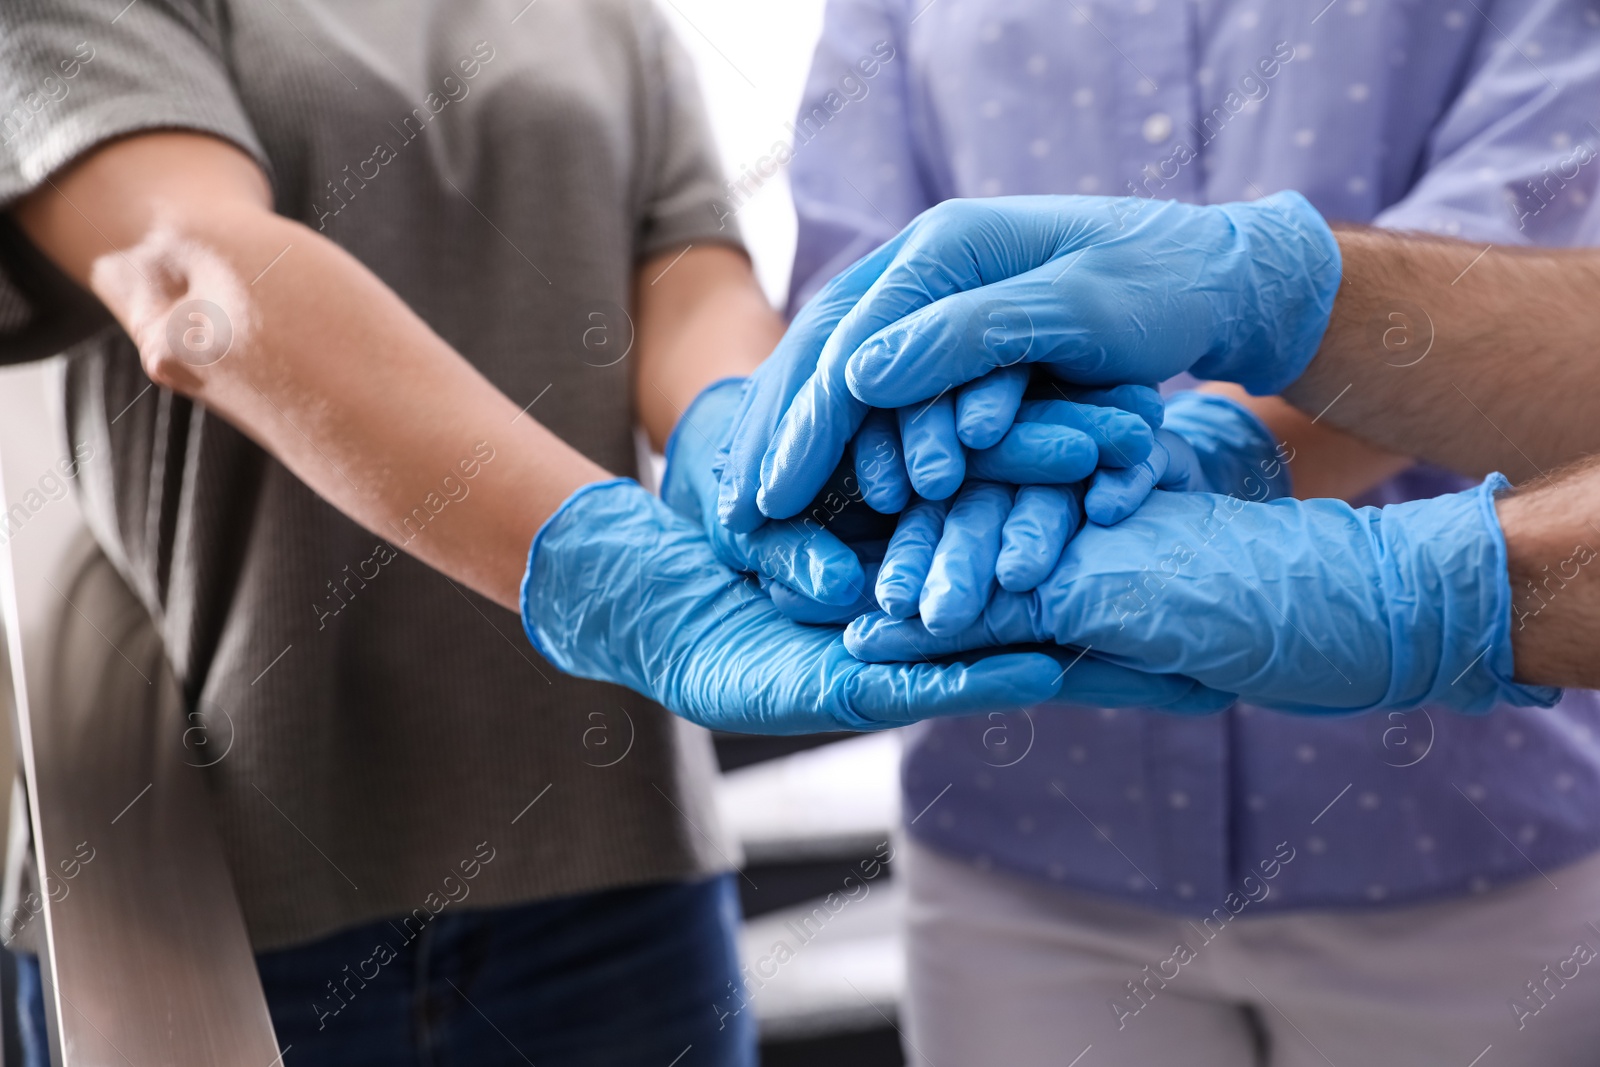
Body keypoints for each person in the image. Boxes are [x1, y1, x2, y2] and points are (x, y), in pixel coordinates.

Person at [0, 1, 1104, 1063]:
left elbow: (688, 288)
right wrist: (593, 562)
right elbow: (192, 271)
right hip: (220, 880)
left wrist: (766, 454)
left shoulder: (605, 14)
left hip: (617, 861)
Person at [722, 0, 1600, 1062]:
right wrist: (990, 453)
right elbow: (855, 286)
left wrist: (1192, 447)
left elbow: (1535, 234)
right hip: (1020, 837)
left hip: (1463, 832)